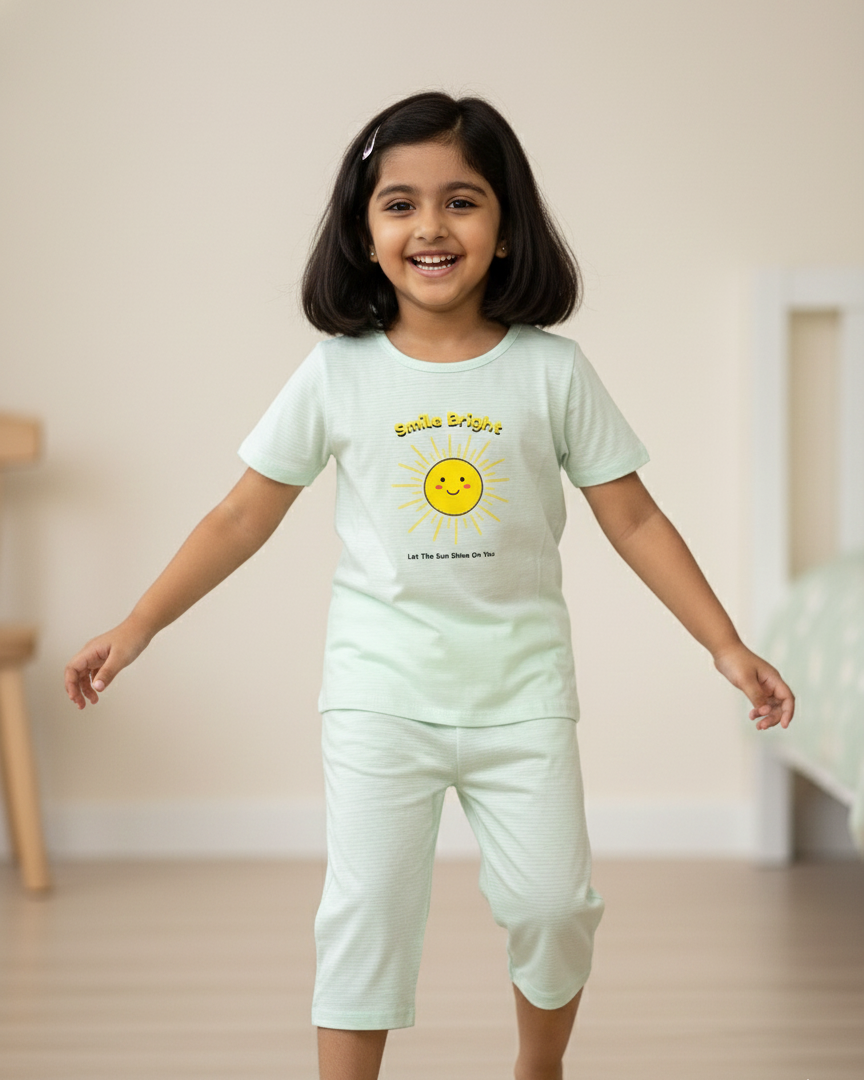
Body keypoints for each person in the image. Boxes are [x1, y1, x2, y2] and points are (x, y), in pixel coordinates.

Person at [64, 91, 794, 1080]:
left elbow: (634, 516)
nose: (431, 226)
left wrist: (724, 642)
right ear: (364, 234)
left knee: (554, 906)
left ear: (505, 228)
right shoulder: (337, 373)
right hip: (381, 696)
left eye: (463, 201)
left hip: (521, 697)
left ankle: (540, 1069)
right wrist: (138, 624)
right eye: (399, 203)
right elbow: (242, 515)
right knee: (367, 911)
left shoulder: (554, 372)